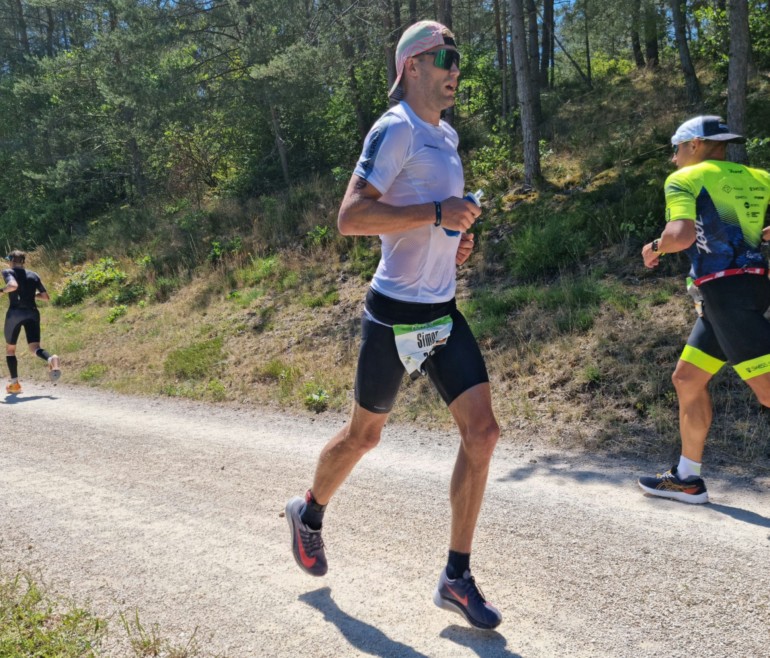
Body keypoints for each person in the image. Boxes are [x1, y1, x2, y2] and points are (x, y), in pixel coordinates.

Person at [284, 20, 502, 630]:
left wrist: (453, 240)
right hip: (394, 314)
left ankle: (456, 576)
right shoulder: (395, 128)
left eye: (458, 58)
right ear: (412, 66)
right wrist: (436, 211)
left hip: (441, 311)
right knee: (364, 437)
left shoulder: (447, 136)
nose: (456, 68)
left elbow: (431, 223)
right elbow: (352, 217)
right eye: (445, 57)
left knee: (482, 434)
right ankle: (309, 510)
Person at [638, 115, 770, 504]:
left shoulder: (685, 180)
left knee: (767, 392)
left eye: (676, 150)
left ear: (694, 144)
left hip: (726, 294)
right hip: (746, 290)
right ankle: (687, 477)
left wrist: (655, 248)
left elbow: (681, 236)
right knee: (687, 379)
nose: (673, 160)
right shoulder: (760, 177)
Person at [2, 250, 61, 394]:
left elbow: (13, 286)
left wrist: (2, 291)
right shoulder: (34, 275)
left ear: (10, 260)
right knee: (34, 347)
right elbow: (45, 296)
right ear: (23, 261)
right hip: (32, 313)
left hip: (15, 314)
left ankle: (15, 385)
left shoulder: (8, 271)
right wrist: (29, 294)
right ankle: (51, 358)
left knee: (10, 349)